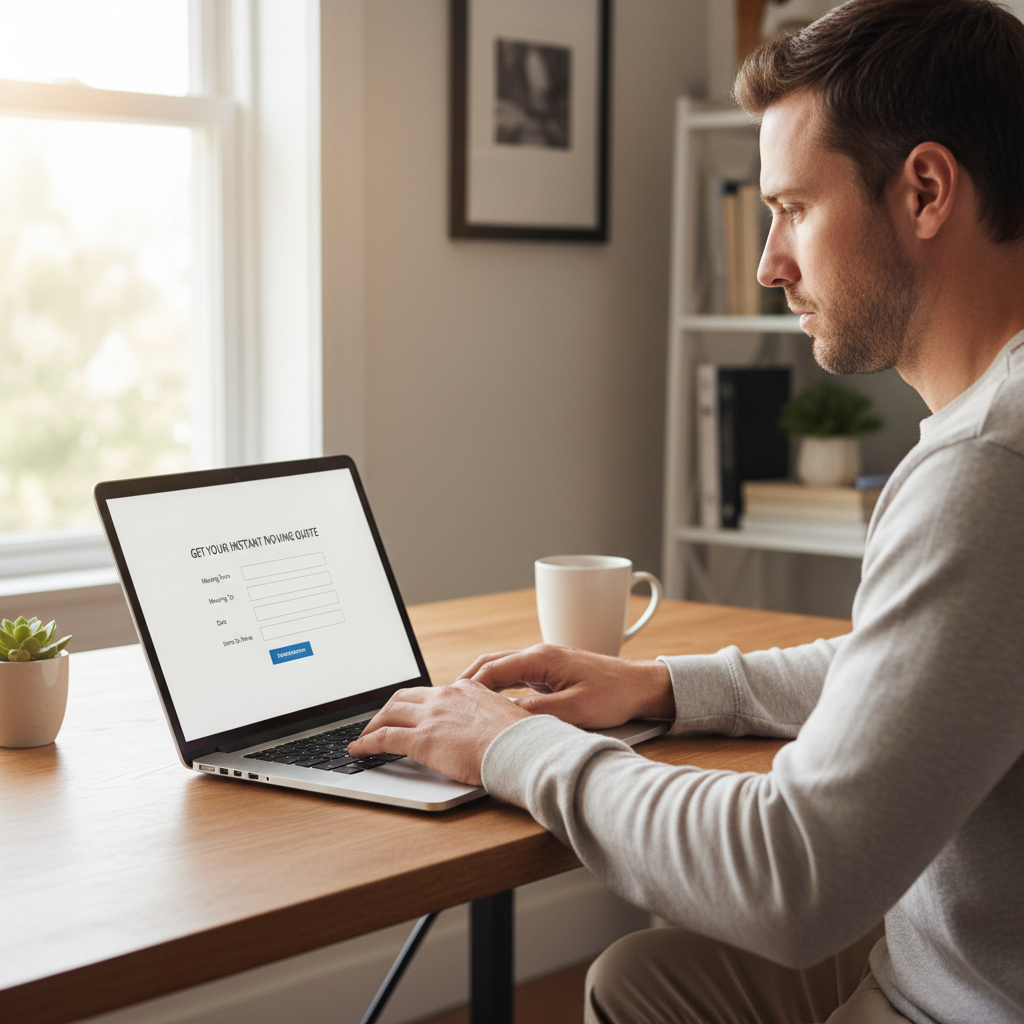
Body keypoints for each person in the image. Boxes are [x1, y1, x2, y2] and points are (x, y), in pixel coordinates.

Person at [349, 1, 1024, 1019]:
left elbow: (792, 879)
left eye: (792, 207)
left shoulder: (988, 465)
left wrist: (507, 748)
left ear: (925, 190)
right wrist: (662, 686)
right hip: (955, 960)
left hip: (955, 1000)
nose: (767, 263)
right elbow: (928, 669)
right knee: (644, 977)